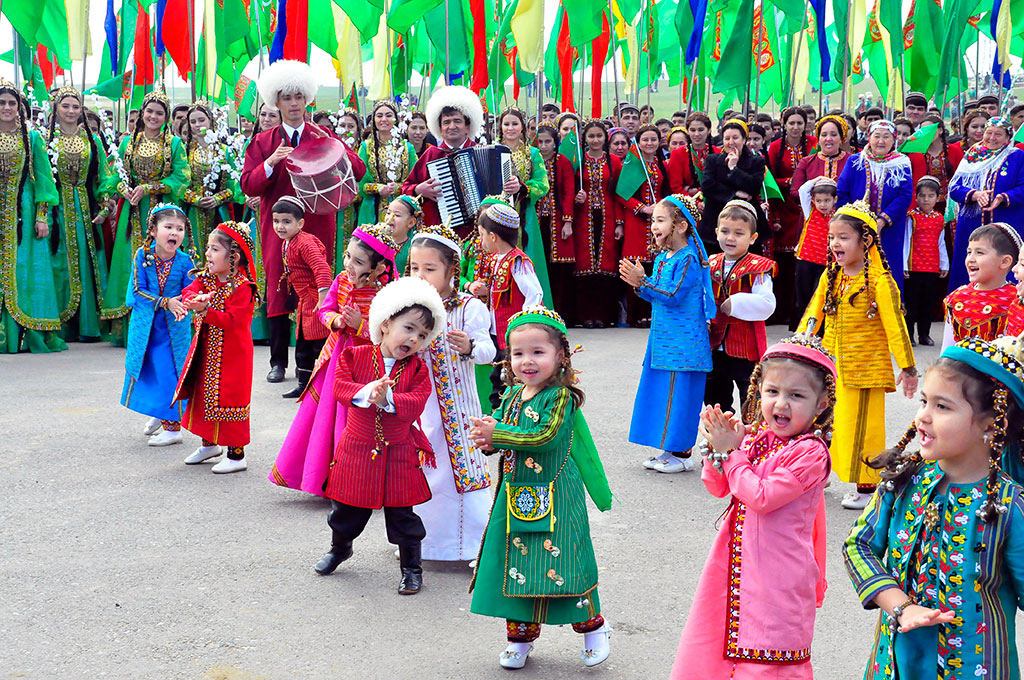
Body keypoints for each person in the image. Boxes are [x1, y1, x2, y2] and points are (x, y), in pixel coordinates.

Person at [843, 334, 1024, 680]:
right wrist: (899, 605)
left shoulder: (1008, 506)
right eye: (924, 401)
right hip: (893, 664)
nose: (923, 416)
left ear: (992, 423)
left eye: (942, 407)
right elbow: (857, 546)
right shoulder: (903, 481)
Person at [671, 331, 836, 680]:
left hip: (779, 578)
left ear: (821, 404)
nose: (781, 404)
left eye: (796, 395)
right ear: (758, 390)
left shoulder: (810, 453)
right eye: (772, 392)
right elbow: (718, 486)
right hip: (737, 566)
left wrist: (731, 452)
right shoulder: (758, 438)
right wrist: (717, 446)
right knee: (724, 648)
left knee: (769, 656)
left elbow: (762, 496)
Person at [468, 306, 613, 670]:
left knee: (566, 561)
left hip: (558, 496)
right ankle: (519, 638)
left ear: (560, 355)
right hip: (518, 497)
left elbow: (543, 436)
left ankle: (594, 628)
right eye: (518, 353)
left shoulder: (560, 397)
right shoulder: (512, 395)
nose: (527, 361)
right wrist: (487, 437)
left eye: (538, 351)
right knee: (516, 564)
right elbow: (500, 432)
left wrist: (498, 434)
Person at [314, 277, 445, 596]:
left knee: (403, 515)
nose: (414, 338)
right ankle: (340, 548)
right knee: (346, 509)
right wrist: (367, 391)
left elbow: (418, 400)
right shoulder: (354, 356)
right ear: (385, 324)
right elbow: (340, 388)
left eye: (422, 335)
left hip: (399, 450)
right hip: (357, 449)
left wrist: (389, 400)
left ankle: (412, 569)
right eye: (409, 328)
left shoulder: (417, 370)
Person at [241, 59, 367, 384]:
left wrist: (336, 149)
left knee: (317, 289)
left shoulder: (322, 135)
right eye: (287, 98)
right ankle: (277, 362)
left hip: (317, 225)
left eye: (299, 97)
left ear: (307, 99)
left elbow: (359, 169)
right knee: (278, 288)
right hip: (278, 229)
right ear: (276, 102)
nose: (294, 104)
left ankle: (313, 362)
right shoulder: (263, 142)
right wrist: (270, 163)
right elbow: (248, 185)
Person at [798, 202, 918, 510]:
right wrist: (799, 347)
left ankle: (867, 487)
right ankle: (818, 471)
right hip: (830, 365)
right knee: (825, 422)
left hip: (866, 369)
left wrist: (907, 367)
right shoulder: (831, 276)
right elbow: (813, 314)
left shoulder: (880, 280)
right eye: (832, 237)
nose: (835, 244)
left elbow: (896, 326)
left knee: (863, 428)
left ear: (865, 241)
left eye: (843, 237)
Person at [270, 224, 397, 494]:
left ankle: (355, 483)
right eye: (348, 256)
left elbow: (389, 334)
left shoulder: (387, 293)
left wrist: (361, 326)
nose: (349, 264)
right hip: (336, 358)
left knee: (356, 421)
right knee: (326, 416)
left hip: (368, 364)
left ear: (378, 268)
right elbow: (325, 309)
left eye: (358, 261)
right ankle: (323, 478)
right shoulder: (341, 279)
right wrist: (337, 320)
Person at [407, 224, 495, 562]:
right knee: (425, 469)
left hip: (460, 410)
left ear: (452, 269)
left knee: (463, 470)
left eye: (429, 268)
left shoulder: (468, 307)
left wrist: (470, 346)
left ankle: (474, 545)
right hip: (421, 407)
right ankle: (423, 543)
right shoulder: (410, 305)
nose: (420, 275)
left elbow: (489, 351)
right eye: (415, 268)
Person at [620, 195, 715, 473]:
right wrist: (640, 285)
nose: (654, 226)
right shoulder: (663, 257)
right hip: (664, 340)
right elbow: (657, 295)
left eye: (660, 220)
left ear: (682, 226)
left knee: (680, 398)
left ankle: (682, 454)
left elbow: (673, 296)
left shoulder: (688, 259)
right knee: (665, 396)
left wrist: (643, 281)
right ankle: (668, 450)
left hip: (684, 344)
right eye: (653, 220)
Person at [103, 90, 189, 343]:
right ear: (142, 113)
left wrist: (149, 188)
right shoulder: (127, 143)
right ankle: (129, 328)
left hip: (161, 213)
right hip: (132, 212)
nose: (153, 116)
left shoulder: (174, 144)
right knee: (129, 262)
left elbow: (181, 178)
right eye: (149, 111)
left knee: (161, 262)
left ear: (166, 117)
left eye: (159, 113)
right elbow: (114, 176)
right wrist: (125, 190)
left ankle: (161, 325)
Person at [174, 221, 259, 474]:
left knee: (230, 400)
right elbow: (189, 290)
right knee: (205, 396)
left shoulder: (243, 287)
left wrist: (205, 310)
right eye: (208, 248)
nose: (207, 254)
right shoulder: (208, 279)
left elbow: (232, 321)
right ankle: (209, 445)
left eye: (214, 249)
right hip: (207, 352)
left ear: (233, 256)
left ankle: (236, 455)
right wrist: (194, 299)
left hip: (233, 357)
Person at [121, 204, 194, 446]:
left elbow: (190, 291)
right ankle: (160, 412)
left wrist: (185, 303)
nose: (174, 233)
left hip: (173, 330)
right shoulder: (142, 257)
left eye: (180, 229)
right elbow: (137, 290)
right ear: (153, 230)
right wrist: (165, 302)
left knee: (168, 372)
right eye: (168, 227)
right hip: (147, 327)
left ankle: (173, 429)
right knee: (150, 369)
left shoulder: (185, 261)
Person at [0, 81, 64, 354]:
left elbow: (45, 180)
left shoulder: (32, 137)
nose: (6, 108)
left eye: (11, 103)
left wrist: (41, 217)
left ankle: (26, 333)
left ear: (20, 107)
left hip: (23, 213)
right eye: (2, 103)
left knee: (25, 268)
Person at [45, 86, 112, 344]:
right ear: (56, 109)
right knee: (59, 261)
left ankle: (87, 324)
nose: (71, 111)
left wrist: (104, 206)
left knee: (87, 261)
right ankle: (61, 325)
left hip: (84, 207)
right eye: (66, 106)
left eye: (75, 106)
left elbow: (102, 176)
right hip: (57, 208)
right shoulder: (45, 139)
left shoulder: (91, 140)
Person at [467, 198, 544, 408]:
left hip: (512, 336)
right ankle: (500, 418)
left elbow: (534, 293)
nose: (480, 239)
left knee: (512, 383)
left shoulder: (517, 261)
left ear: (492, 236)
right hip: (498, 334)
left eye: (482, 234)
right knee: (498, 382)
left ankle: (512, 419)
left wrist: (525, 325)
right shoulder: (497, 259)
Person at [705, 200, 777, 416]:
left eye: (739, 233)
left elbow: (767, 304)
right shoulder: (710, 263)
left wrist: (736, 303)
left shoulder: (759, 268)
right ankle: (720, 435)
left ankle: (750, 436)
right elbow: (701, 297)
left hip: (745, 346)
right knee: (715, 401)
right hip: (714, 344)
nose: (730, 238)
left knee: (751, 400)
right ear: (716, 232)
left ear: (752, 238)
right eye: (725, 231)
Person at [947, 116, 1024, 290]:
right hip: (972, 223)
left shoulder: (1017, 156)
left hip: (1006, 221)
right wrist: (974, 194)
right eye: (989, 133)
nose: (992, 138)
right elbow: (955, 188)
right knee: (970, 263)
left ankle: (1008, 302)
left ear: (1008, 137)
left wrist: (1003, 197)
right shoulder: (972, 156)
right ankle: (965, 303)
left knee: (1005, 260)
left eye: (998, 134)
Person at [837, 120, 914, 287]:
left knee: (887, 268)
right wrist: (849, 221)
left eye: (886, 136)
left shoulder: (901, 163)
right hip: (856, 227)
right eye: (876, 136)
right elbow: (842, 192)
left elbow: (905, 195)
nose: (881, 141)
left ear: (893, 140)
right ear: (869, 138)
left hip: (889, 229)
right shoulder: (855, 161)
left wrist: (882, 220)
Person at [273, 196, 333, 398]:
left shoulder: (305, 243)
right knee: (303, 344)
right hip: (305, 300)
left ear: (300, 224)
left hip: (315, 300)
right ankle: (304, 385)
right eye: (276, 221)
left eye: (286, 221)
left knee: (320, 344)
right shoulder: (288, 242)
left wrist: (323, 299)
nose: (280, 226)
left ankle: (326, 387)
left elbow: (322, 268)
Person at [401, 85, 482, 234]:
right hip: (438, 231)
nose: (452, 126)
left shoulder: (481, 151)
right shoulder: (431, 154)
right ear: (440, 129)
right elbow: (405, 188)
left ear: (467, 127)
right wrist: (418, 190)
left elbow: (507, 187)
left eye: (457, 121)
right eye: (446, 122)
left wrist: (515, 186)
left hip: (478, 232)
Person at [766, 107, 816, 325]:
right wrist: (791, 182)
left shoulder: (814, 143)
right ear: (784, 125)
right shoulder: (775, 147)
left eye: (799, 123)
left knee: (804, 263)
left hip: (809, 207)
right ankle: (781, 312)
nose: (795, 127)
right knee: (784, 263)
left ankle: (800, 314)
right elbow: (768, 178)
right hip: (783, 207)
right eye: (791, 123)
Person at [497, 107, 552, 306]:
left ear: (523, 127)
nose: (510, 128)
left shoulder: (532, 153)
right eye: (506, 124)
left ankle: (530, 307)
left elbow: (543, 183)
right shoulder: (492, 150)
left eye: (515, 123)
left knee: (527, 262)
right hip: (495, 215)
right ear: (501, 127)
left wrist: (523, 188)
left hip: (524, 215)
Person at [572, 121, 624, 328]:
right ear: (585, 138)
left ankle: (603, 316)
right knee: (585, 267)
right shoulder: (578, 160)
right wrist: (577, 198)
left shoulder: (614, 161)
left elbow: (619, 194)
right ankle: (585, 316)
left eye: (599, 136)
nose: (595, 140)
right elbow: (569, 188)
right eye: (591, 136)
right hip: (583, 218)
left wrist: (619, 223)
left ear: (605, 138)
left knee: (605, 267)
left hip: (607, 216)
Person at [620, 124, 670, 326]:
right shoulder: (633, 164)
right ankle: (635, 314)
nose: (649, 143)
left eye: (653, 139)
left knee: (656, 266)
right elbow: (622, 194)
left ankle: (653, 313)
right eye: (645, 140)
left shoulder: (661, 164)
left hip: (659, 222)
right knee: (637, 264)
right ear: (638, 142)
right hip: (637, 221)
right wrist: (642, 208)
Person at [942, 223, 1021, 348]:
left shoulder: (1015, 302)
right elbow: (947, 348)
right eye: (969, 252)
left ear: (1005, 261)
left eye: (979, 252)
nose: (970, 259)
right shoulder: (956, 298)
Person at [700, 119, 769, 255]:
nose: (731, 142)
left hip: (746, 220)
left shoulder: (756, 161)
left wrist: (734, 169)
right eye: (727, 138)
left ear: (744, 139)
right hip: (715, 220)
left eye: (735, 138)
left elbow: (754, 187)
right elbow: (707, 187)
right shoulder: (713, 160)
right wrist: (734, 194)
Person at [181, 102, 240, 257]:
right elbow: (178, 184)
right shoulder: (184, 151)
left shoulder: (225, 151)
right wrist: (195, 199)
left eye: (201, 120)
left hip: (219, 212)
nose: (197, 125)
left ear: (211, 121)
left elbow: (233, 186)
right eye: (193, 121)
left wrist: (217, 198)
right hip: (191, 212)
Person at [534, 122, 576, 322]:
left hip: (557, 220)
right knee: (537, 263)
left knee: (558, 268)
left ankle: (559, 312)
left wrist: (567, 221)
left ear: (555, 142)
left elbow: (568, 193)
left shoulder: (562, 162)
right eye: (540, 142)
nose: (543, 146)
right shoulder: (532, 161)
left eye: (548, 142)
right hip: (535, 220)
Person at [902, 177, 948, 347]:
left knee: (928, 303)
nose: (926, 200)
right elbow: (906, 241)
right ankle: (909, 335)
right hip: (914, 266)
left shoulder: (939, 218)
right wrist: (904, 264)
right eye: (922, 196)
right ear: (916, 197)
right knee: (911, 303)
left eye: (931, 196)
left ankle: (924, 335)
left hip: (932, 267)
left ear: (938, 197)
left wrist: (944, 263)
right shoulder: (911, 217)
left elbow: (940, 242)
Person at [357, 100, 418, 225]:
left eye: (389, 115)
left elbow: (415, 180)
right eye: (379, 116)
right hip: (372, 211)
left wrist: (398, 187)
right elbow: (359, 184)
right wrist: (378, 188)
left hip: (402, 211)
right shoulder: (365, 147)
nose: (384, 119)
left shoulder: (407, 148)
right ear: (374, 120)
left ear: (396, 119)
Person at [667, 112, 717, 197]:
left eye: (701, 130)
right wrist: (694, 202)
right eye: (693, 130)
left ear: (709, 131)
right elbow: (675, 186)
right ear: (688, 131)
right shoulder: (678, 154)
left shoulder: (718, 152)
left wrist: (697, 191)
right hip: (687, 201)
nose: (696, 134)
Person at [385, 194, 422, 276]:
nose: (390, 218)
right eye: (388, 213)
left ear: (411, 222)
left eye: (397, 215)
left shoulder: (413, 249)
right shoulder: (378, 241)